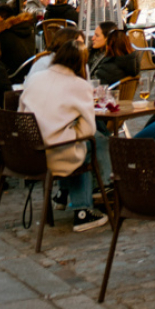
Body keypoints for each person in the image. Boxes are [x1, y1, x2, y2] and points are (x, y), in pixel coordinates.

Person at [20, 42, 106, 230]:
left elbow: (21, 113)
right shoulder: (79, 85)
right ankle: (82, 210)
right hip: (54, 154)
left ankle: (63, 195)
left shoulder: (35, 79)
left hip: (28, 154)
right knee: (87, 144)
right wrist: (72, 132)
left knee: (74, 143)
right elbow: (88, 129)